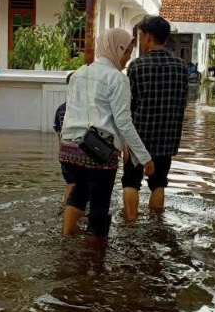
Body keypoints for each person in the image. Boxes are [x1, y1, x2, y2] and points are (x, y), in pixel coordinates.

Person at [60, 29, 154, 239]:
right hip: (97, 152)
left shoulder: (79, 72)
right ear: (116, 49)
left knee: (80, 191)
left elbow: (70, 110)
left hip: (69, 149)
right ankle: (95, 261)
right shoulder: (117, 79)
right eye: (127, 52)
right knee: (100, 205)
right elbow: (123, 123)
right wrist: (145, 157)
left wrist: (64, 142)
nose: (128, 57)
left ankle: (65, 236)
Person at [122, 15, 189, 221]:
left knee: (131, 182)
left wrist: (125, 141)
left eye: (141, 35)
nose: (140, 40)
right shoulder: (181, 67)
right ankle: (156, 226)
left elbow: (128, 107)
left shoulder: (137, 66)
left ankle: (130, 224)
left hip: (139, 138)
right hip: (167, 138)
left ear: (149, 36)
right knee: (159, 183)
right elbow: (182, 103)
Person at [53, 72, 75, 204]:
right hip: (81, 154)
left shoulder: (60, 109)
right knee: (77, 186)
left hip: (65, 152)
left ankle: (65, 211)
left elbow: (59, 135)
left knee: (70, 183)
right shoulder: (87, 108)